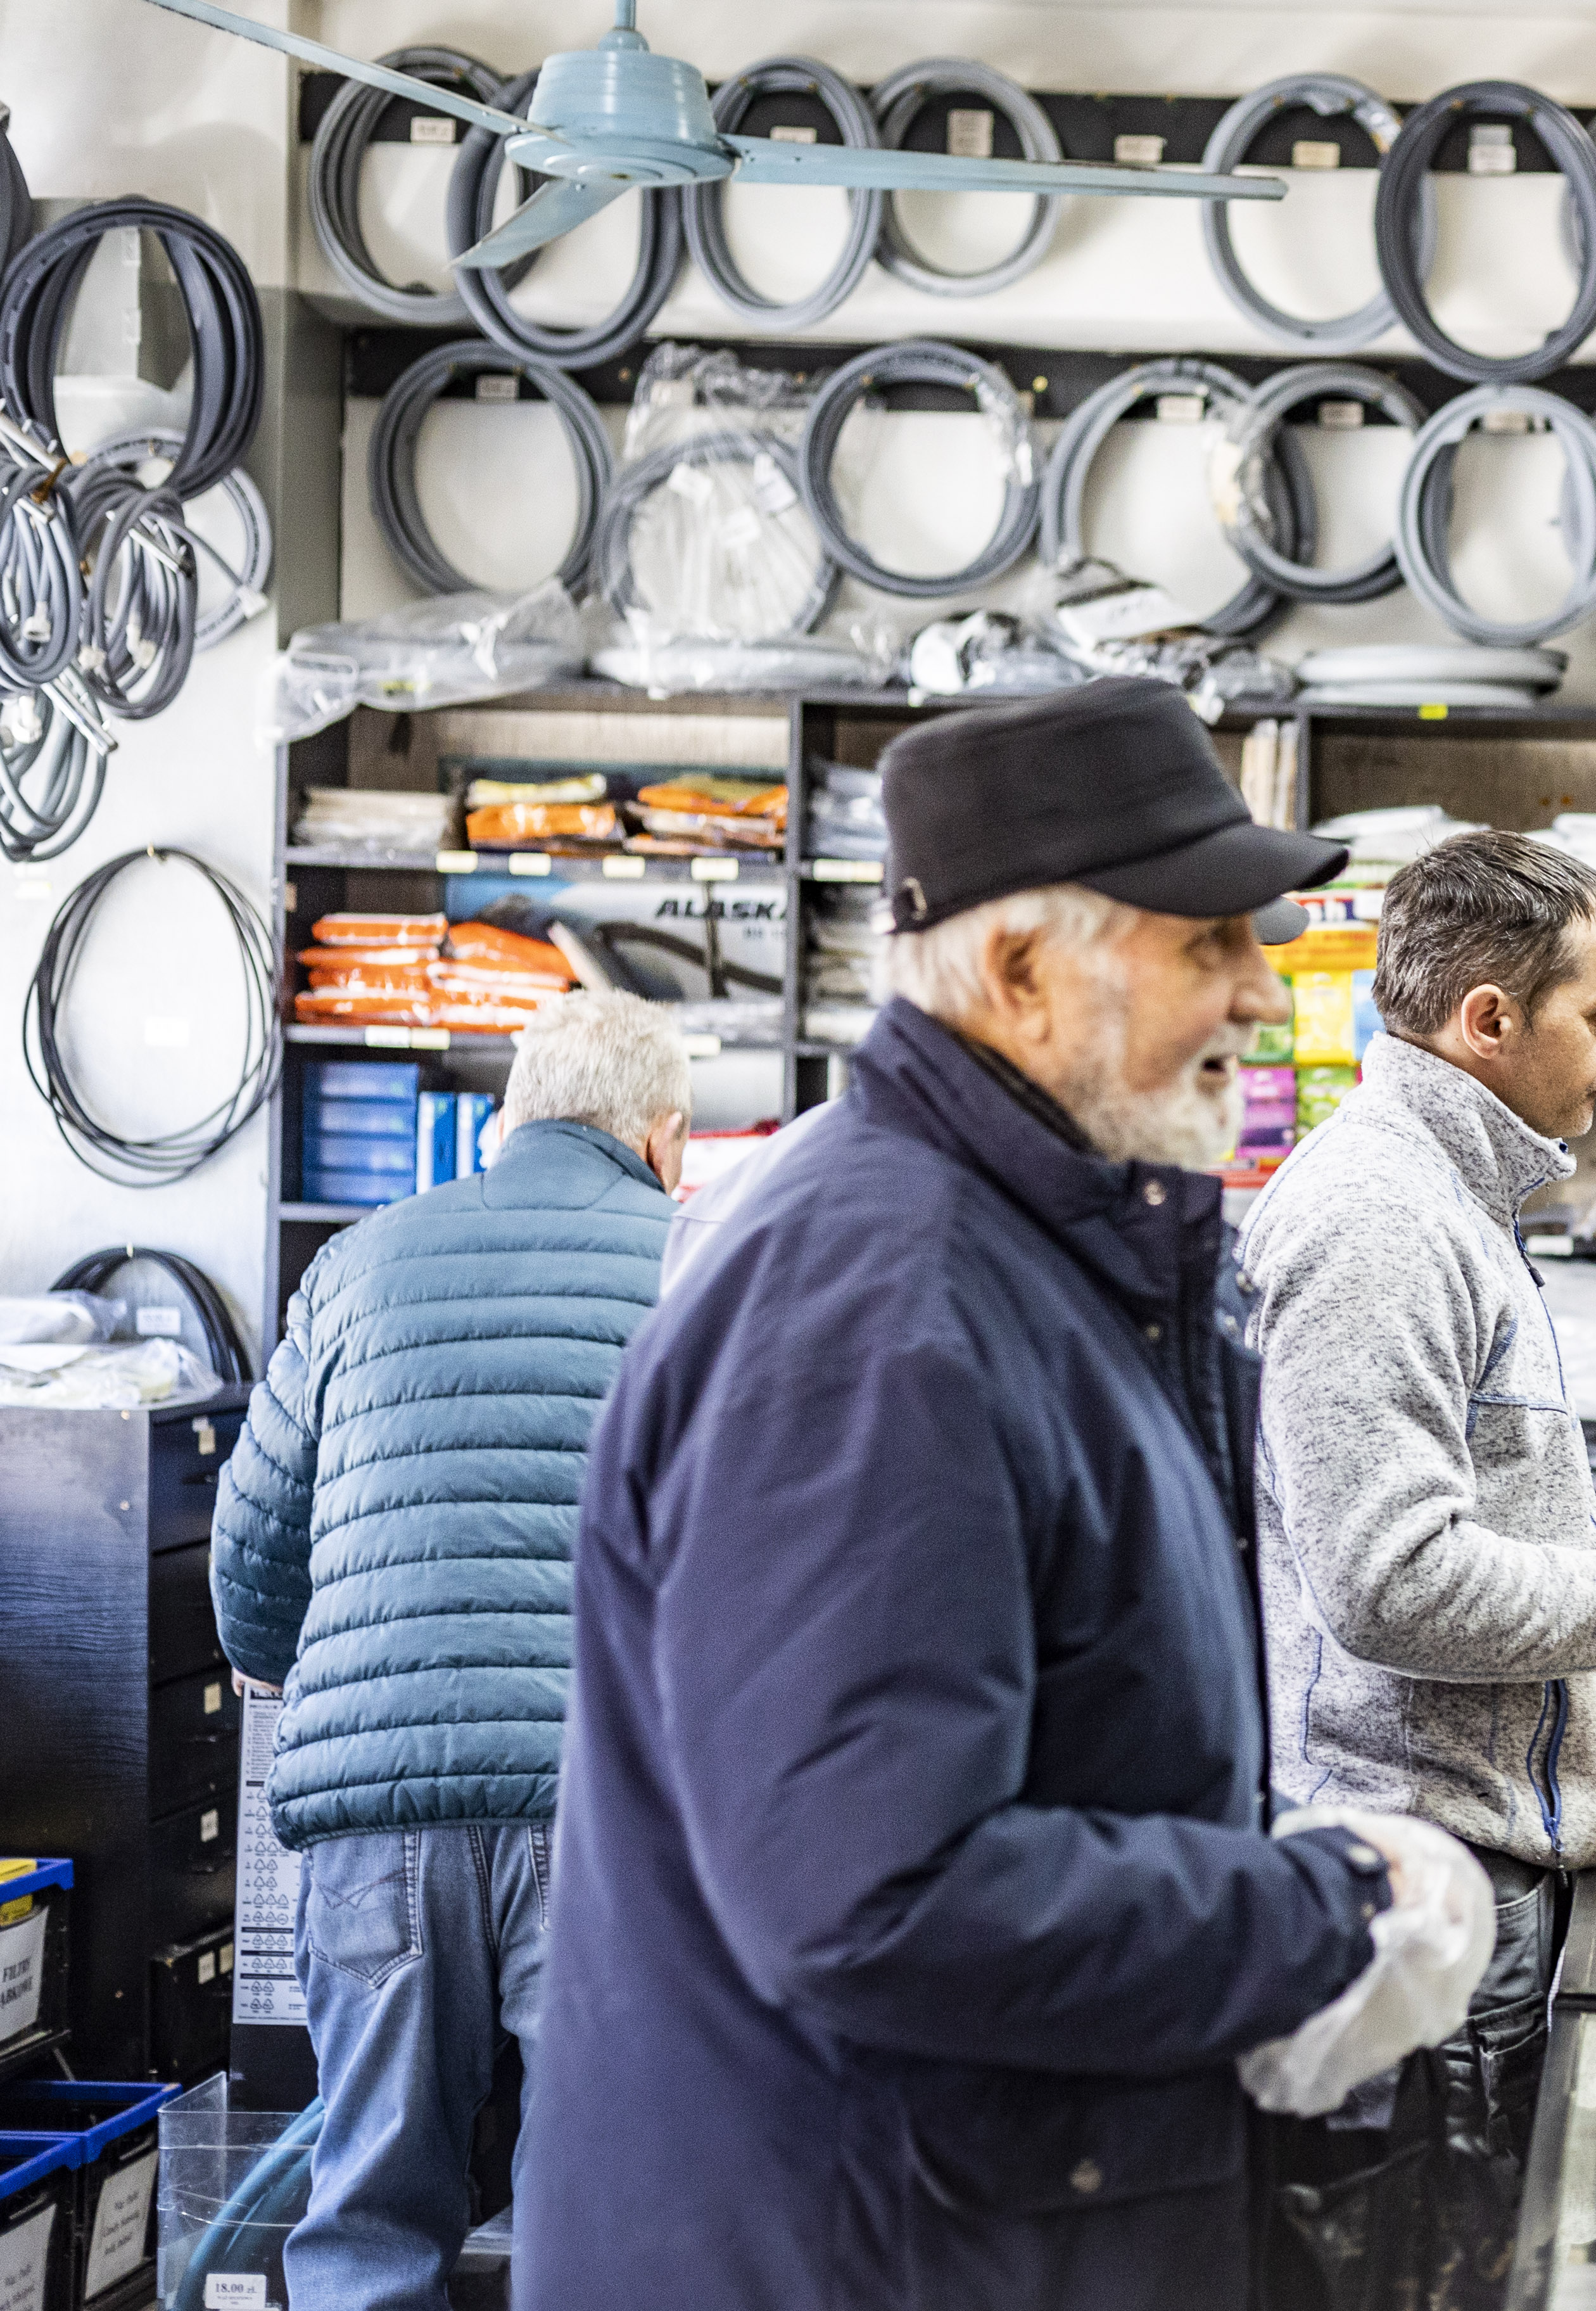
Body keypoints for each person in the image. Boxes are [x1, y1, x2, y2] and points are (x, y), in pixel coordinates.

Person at [517, 682, 1473, 2311]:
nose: (1264, 990)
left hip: (963, 2215)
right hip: (850, 2251)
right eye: (1207, 944)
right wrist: (1323, 1910)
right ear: (1023, 973)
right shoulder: (879, 1308)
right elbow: (874, 1896)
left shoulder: (1044, 1255)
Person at [1237, 829, 1596, 2310]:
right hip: (1426, 1886)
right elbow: (1388, 1579)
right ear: (1489, 1019)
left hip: (1483, 1875)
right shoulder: (1380, 1222)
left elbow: (1458, 1518)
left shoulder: (1451, 1208)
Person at [211, 990, 687, 2311]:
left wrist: (272, 1659)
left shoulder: (358, 1260)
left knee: (368, 2204)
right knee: (602, 2213)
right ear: (663, 1143)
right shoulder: (693, 1264)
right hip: (600, 1816)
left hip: (373, 1822)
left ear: (504, 1122)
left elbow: (253, 1551)